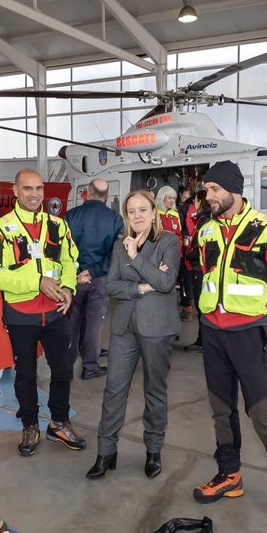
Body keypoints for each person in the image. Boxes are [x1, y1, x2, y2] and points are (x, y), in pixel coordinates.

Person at [192, 161, 267, 515]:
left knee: (261, 412)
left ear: (233, 191)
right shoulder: (206, 231)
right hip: (212, 332)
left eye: (214, 190)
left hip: (248, 334)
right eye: (206, 190)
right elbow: (204, 274)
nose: (207, 196)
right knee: (220, 409)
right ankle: (229, 473)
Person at [0, 168, 86, 456]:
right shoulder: (1, 229)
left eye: (39, 188)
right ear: (15, 191)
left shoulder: (58, 225)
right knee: (26, 374)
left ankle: (59, 422)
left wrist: (67, 288)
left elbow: (70, 260)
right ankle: (30, 425)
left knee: (64, 369)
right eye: (27, 188)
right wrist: (37, 281)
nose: (34, 194)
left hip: (55, 313)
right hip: (21, 316)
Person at [86, 190, 181, 481]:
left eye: (143, 210)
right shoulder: (119, 245)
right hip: (124, 327)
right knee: (113, 389)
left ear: (154, 212)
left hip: (157, 327)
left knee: (155, 390)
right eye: (131, 211)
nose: (137, 216)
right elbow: (111, 285)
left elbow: (166, 282)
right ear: (126, 216)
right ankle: (105, 452)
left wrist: (136, 258)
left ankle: (153, 451)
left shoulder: (168, 241)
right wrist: (142, 286)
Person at [64, 178, 123, 380]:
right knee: (94, 324)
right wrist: (93, 272)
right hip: (99, 279)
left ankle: (66, 365)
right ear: (106, 197)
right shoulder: (115, 219)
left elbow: (62, 250)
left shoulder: (70, 216)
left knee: (71, 321)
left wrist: (78, 272)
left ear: (87, 193)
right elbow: (117, 253)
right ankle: (90, 366)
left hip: (73, 279)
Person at [183, 190, 212, 348]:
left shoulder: (204, 220)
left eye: (195, 200)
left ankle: (203, 342)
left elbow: (200, 245)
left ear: (201, 201)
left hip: (199, 269)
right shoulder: (206, 219)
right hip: (200, 268)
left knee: (202, 306)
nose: (194, 203)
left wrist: (190, 255)